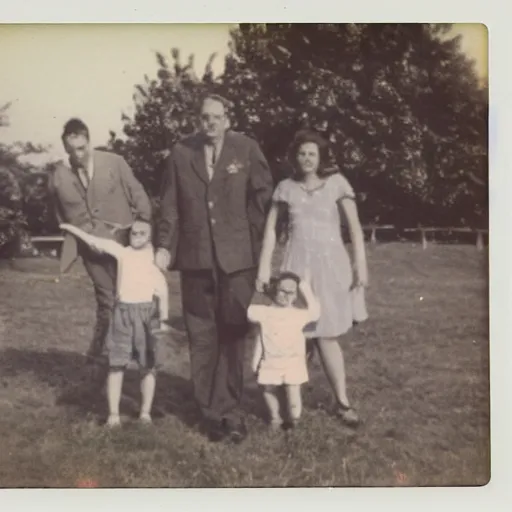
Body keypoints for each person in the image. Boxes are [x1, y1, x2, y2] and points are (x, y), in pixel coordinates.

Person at [155, 93, 274, 443]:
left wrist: (252, 245)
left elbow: (262, 199)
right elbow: (170, 204)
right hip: (195, 259)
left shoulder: (247, 149)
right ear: (198, 119)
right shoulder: (181, 153)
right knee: (202, 335)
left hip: (238, 263)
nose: (210, 122)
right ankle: (209, 411)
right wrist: (164, 245)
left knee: (233, 334)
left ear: (228, 119)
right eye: (205, 117)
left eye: (217, 117)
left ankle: (231, 411)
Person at [256, 129, 369, 427]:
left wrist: (361, 266)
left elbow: (355, 230)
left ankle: (342, 402)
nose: (306, 159)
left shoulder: (336, 184)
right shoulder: (285, 188)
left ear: (320, 158)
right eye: (302, 154)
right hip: (296, 267)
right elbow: (270, 231)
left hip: (331, 267)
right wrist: (264, 268)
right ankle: (289, 403)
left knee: (327, 335)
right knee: (295, 336)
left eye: (312, 154)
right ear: (295, 158)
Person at [49, 118, 152, 368]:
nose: (77, 155)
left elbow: (137, 192)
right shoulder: (58, 175)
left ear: (89, 142)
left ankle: (138, 350)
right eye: (71, 150)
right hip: (90, 249)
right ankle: (100, 352)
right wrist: (85, 236)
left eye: (82, 148)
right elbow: (61, 212)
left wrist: (144, 222)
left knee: (131, 296)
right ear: (65, 148)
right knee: (106, 299)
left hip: (123, 244)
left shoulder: (114, 162)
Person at [59, 220, 170, 427]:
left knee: (148, 366)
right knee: (116, 364)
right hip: (123, 313)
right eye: (133, 232)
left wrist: (163, 320)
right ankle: (113, 415)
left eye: (142, 233)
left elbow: (162, 291)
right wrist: (71, 228)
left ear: (149, 236)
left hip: (147, 314)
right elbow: (94, 242)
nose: (136, 236)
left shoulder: (154, 258)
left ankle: (145, 412)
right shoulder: (122, 252)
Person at [248, 271, 320, 430]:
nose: (286, 295)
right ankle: (275, 417)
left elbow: (315, 313)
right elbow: (250, 312)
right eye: (282, 290)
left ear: (296, 295)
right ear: (274, 289)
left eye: (291, 292)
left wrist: (304, 287)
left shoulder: (298, 314)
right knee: (268, 389)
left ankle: (295, 419)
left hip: (293, 361)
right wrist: (260, 290)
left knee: (293, 391)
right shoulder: (264, 312)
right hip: (270, 360)